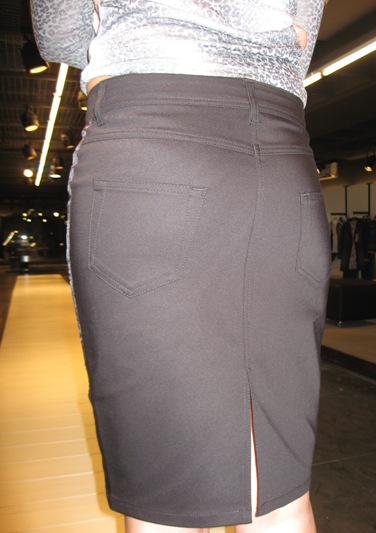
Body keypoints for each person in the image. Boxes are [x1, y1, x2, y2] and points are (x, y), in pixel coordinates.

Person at [31, 1, 331, 532]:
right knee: (276, 484)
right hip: (282, 157)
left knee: (168, 486)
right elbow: (298, 38)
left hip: (153, 141)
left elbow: (58, 34)